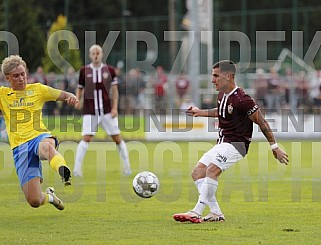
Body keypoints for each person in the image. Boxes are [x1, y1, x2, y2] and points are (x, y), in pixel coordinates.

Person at [173, 60, 289, 223]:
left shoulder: (243, 100)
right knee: (197, 172)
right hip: (222, 143)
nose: (213, 80)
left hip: (236, 145)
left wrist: (274, 146)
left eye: (216, 76)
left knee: (211, 171)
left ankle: (196, 212)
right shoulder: (222, 94)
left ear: (228, 76)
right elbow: (220, 112)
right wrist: (200, 112)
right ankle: (216, 213)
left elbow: (261, 121)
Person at [0, 55, 79, 210]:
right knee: (34, 200)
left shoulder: (38, 89)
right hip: (20, 148)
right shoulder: (2, 95)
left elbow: (64, 95)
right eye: (16, 76)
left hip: (39, 136)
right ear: (7, 78)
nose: (22, 78)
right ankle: (50, 196)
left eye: (23, 74)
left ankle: (63, 170)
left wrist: (72, 97)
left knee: (46, 147)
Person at [73, 44, 132, 176]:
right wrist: (77, 99)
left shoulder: (109, 70)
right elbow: (80, 88)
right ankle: (76, 170)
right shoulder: (84, 71)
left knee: (117, 138)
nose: (96, 55)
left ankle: (127, 168)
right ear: (90, 55)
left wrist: (115, 108)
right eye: (93, 53)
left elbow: (115, 91)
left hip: (106, 110)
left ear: (102, 54)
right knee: (86, 138)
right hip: (90, 111)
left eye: (98, 53)